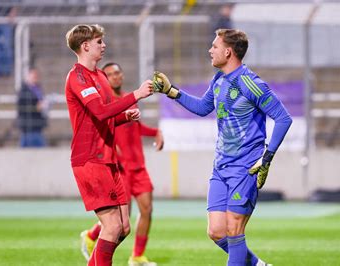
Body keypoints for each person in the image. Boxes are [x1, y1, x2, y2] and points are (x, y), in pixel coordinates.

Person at [153, 29, 292, 265]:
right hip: (220, 167)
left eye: (214, 46)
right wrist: (171, 91)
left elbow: (283, 118)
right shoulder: (219, 79)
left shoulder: (251, 83)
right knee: (217, 231)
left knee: (234, 229)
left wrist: (267, 157)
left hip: (245, 167)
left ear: (228, 52)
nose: (210, 50)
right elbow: (202, 107)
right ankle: (257, 264)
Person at [64, 24, 153, 266]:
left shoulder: (100, 76)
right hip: (90, 159)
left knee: (123, 227)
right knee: (112, 227)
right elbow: (99, 112)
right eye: (99, 42)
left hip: (109, 159)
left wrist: (125, 117)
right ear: (85, 46)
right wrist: (135, 95)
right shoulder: (77, 77)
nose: (104, 46)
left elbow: (103, 116)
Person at [80, 62, 164, 266]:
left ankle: (137, 256)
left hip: (138, 167)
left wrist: (155, 132)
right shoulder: (106, 104)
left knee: (147, 209)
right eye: (110, 74)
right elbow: (101, 131)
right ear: (104, 80)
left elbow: (134, 128)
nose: (116, 76)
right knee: (118, 221)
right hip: (120, 169)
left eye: (118, 72)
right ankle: (92, 236)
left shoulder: (128, 100)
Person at [16, 68, 48, 147]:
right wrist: (36, 107)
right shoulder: (24, 91)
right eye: (33, 75)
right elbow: (22, 106)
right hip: (28, 125)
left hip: (36, 125)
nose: (35, 77)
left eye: (36, 75)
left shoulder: (38, 89)